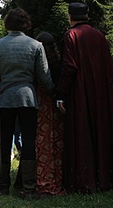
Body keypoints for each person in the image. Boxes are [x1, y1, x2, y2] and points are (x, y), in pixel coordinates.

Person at [0, 8, 54, 199]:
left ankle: (3, 187)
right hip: (28, 98)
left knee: (5, 143)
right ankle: (30, 188)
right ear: (26, 23)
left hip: (5, 99)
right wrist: (55, 92)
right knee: (29, 142)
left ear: (7, 23)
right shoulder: (36, 45)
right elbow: (44, 77)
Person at [56, 2, 113, 193]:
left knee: (83, 133)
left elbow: (69, 66)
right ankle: (107, 178)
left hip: (81, 94)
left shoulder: (71, 35)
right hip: (102, 93)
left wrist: (60, 94)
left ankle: (85, 180)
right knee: (101, 131)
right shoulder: (99, 36)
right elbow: (109, 66)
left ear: (70, 17)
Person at [35, 31, 65, 195]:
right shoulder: (59, 60)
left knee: (42, 140)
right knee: (57, 141)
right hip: (57, 105)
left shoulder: (37, 61)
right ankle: (59, 177)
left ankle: (43, 177)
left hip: (41, 104)